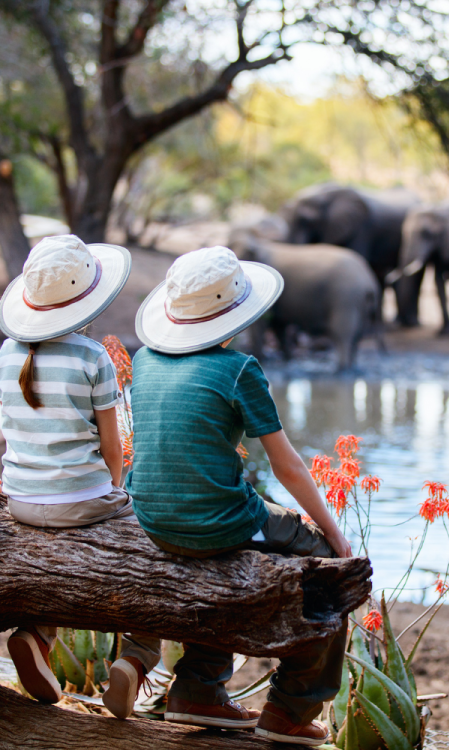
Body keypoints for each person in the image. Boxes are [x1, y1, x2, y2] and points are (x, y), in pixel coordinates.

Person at [126, 246, 352, 743]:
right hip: (217, 521)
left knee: (220, 555)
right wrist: (334, 534)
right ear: (234, 313)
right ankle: (292, 708)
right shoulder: (238, 369)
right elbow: (287, 465)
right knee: (330, 575)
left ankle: (199, 690)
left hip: (151, 519)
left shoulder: (144, 359)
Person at [0, 234, 161, 718]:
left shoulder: (6, 353)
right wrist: (115, 491)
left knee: (50, 555)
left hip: (22, 500)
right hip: (86, 500)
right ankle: (136, 657)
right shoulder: (92, 358)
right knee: (152, 555)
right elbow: (113, 447)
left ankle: (36, 633)